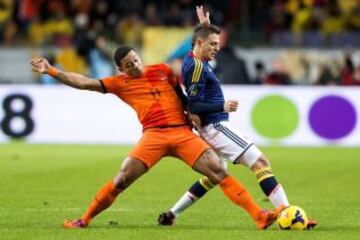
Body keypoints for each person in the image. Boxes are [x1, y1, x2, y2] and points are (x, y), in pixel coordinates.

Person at [30, 46, 284, 229]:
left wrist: (195, 114)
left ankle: (260, 216)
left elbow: (184, 98)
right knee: (122, 178)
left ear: (139, 57)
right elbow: (84, 82)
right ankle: (83, 220)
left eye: (135, 60)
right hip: (153, 136)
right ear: (121, 69)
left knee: (218, 171)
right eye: (128, 65)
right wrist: (52, 70)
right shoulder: (118, 83)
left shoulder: (163, 70)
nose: (135, 65)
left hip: (182, 132)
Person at [158, 6, 316, 229]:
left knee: (214, 175)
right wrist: (221, 105)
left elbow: (196, 44)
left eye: (218, 42)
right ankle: (287, 213)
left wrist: (204, 27)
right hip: (215, 126)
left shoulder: (192, 58)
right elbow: (194, 105)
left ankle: (172, 214)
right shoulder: (195, 67)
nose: (217, 47)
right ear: (200, 43)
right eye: (213, 43)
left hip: (211, 126)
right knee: (260, 162)